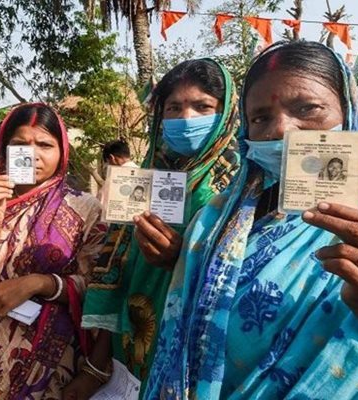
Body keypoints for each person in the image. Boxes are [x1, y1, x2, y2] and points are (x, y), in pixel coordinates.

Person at [146, 41, 358, 400]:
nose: (282, 130)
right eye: (260, 118)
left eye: (308, 108)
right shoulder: (211, 229)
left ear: (349, 115)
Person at [72, 59, 241, 398]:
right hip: (131, 350)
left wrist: (183, 261)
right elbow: (118, 275)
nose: (186, 119)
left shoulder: (239, 186)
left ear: (225, 114)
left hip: (200, 358)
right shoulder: (145, 178)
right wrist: (95, 367)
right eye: (174, 108)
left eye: (202, 106)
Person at [0, 103, 107, 399]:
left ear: (62, 151)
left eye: (45, 144)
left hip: (50, 359)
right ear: (3, 149)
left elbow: (98, 288)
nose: (33, 154)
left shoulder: (84, 209)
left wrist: (38, 283)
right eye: (20, 144)